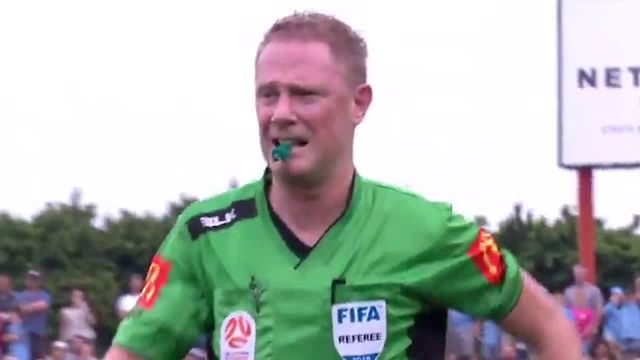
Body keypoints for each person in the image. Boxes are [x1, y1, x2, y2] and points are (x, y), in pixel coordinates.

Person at [104, 11, 582, 360]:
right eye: (268, 94)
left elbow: (550, 328)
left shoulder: (425, 230)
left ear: (359, 104)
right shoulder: (205, 234)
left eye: (305, 94)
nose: (281, 113)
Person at [16, 270, 51, 360]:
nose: (32, 281)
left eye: (35, 279)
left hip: (37, 334)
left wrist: (24, 309)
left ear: (39, 282)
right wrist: (32, 307)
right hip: (21, 334)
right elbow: (15, 310)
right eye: (30, 279)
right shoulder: (19, 295)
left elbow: (43, 306)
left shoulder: (44, 295)